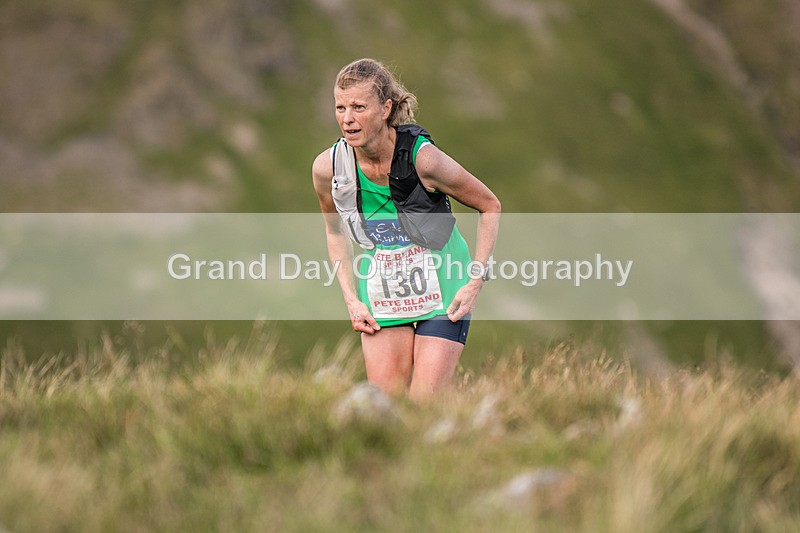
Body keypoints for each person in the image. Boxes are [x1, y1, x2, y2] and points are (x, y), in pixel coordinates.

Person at [312, 58, 501, 401]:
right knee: (386, 404)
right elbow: (335, 231)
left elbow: (490, 205)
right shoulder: (329, 169)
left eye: (358, 107)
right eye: (340, 107)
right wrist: (352, 300)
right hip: (382, 296)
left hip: (445, 292)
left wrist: (475, 282)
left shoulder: (423, 159)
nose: (347, 118)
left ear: (385, 109)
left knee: (423, 403)